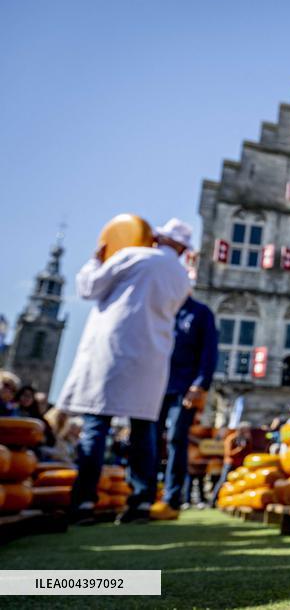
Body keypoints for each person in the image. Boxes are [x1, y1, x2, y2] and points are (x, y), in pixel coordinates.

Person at [56, 217, 192, 525]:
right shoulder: (183, 277)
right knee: (144, 429)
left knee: (96, 425)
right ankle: (141, 502)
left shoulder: (134, 255)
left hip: (114, 348)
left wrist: (96, 260)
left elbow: (89, 287)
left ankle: (84, 503)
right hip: (152, 356)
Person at [150, 294, 217, 521]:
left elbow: (209, 352)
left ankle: (172, 497)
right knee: (148, 437)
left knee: (178, 439)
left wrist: (200, 384)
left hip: (184, 386)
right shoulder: (159, 307)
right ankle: (144, 495)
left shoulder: (200, 312)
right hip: (154, 384)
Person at [211, 422, 252, 506]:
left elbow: (249, 452)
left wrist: (249, 442)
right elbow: (228, 453)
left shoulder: (245, 440)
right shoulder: (231, 438)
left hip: (240, 465)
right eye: (246, 431)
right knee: (223, 481)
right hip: (230, 464)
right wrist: (239, 449)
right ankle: (213, 501)